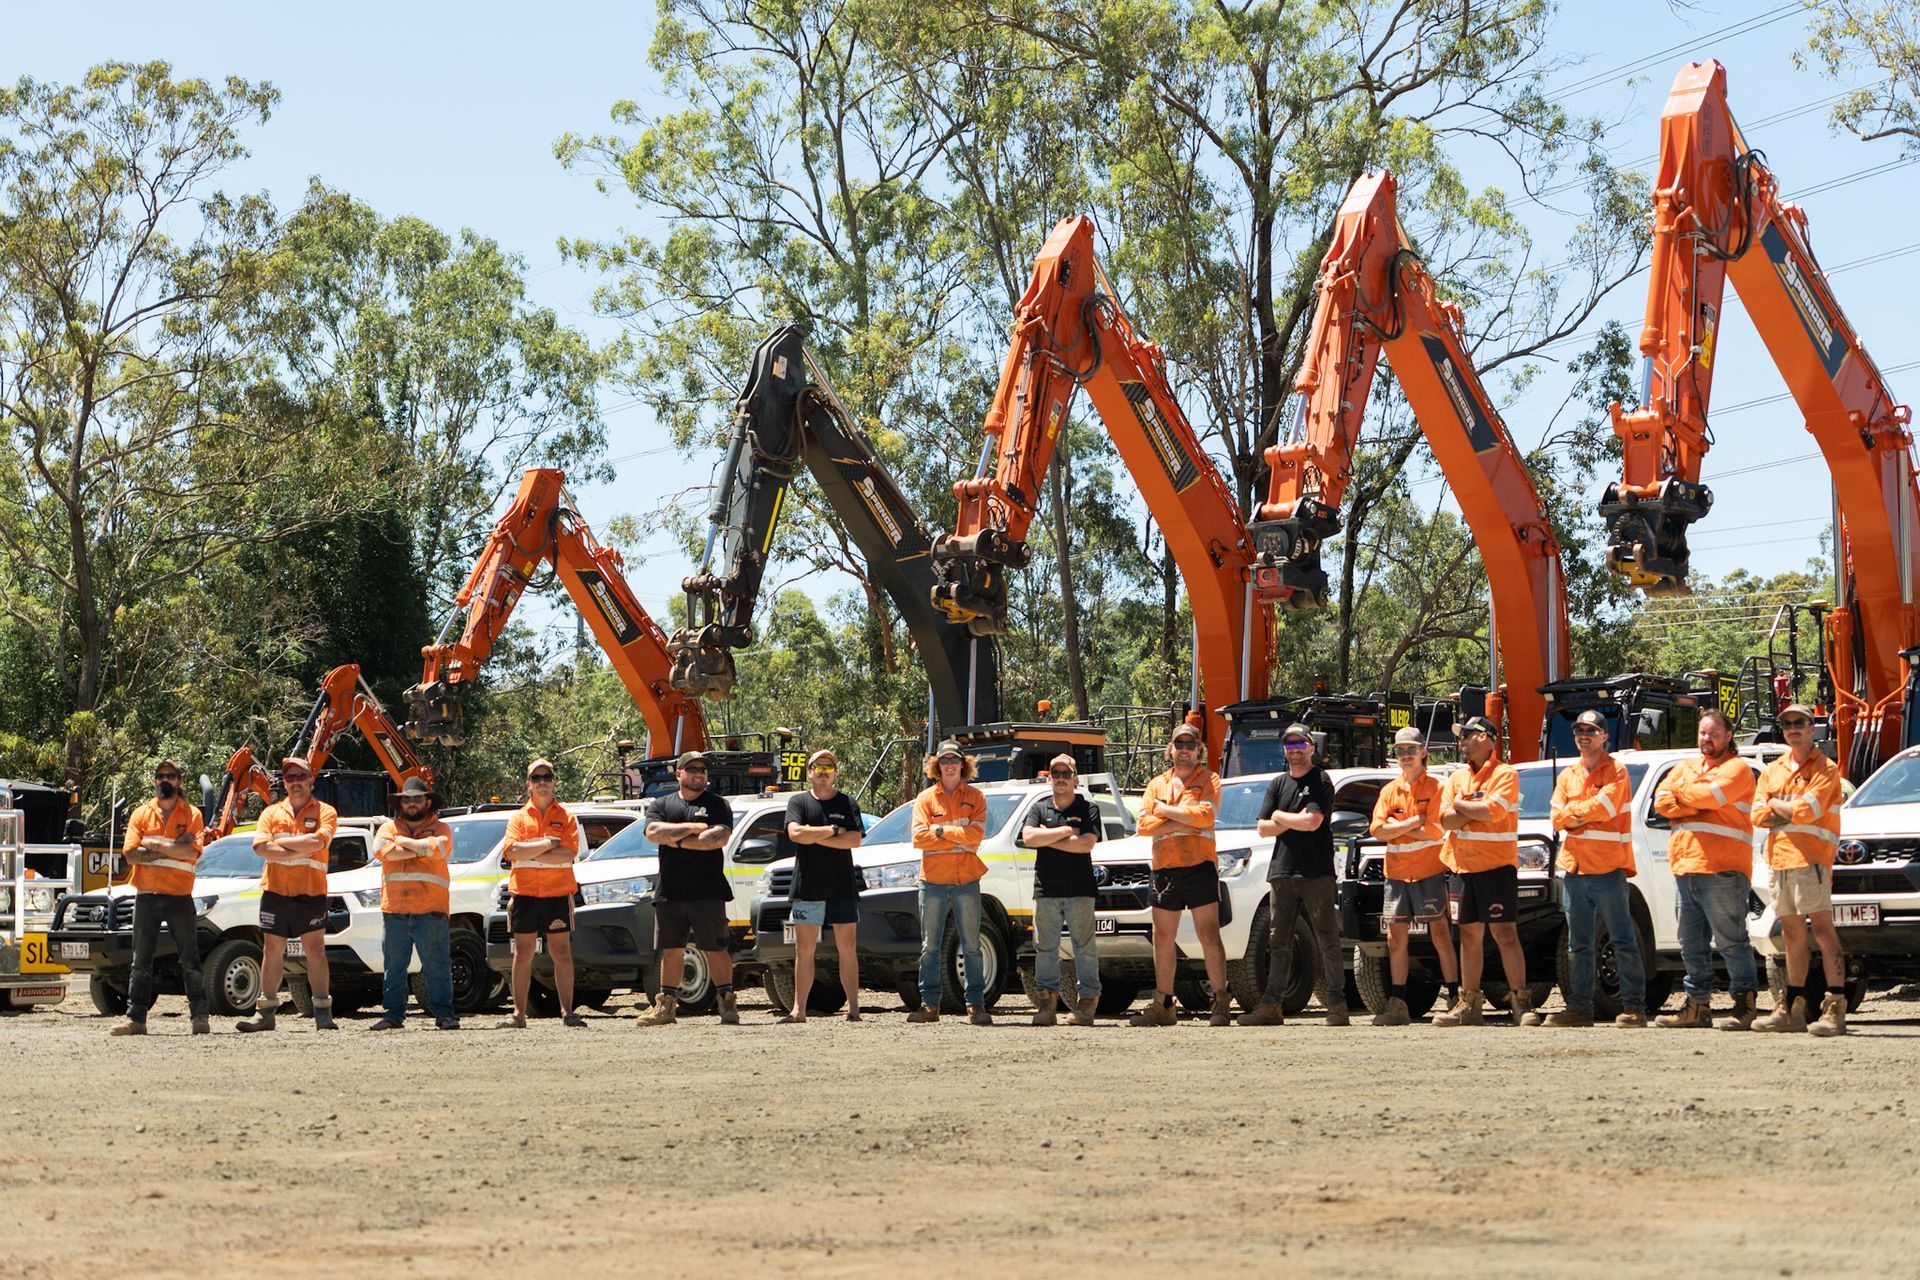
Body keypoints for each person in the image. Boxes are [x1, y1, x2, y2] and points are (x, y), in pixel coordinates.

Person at [1653, 709, 1760, 1030]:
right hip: (1686, 867)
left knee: (1731, 941)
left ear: (1728, 736)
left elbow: (1711, 797)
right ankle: (1697, 1006)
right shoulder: (1686, 766)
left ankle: (1744, 1004)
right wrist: (1692, 797)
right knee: (1690, 942)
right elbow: (1660, 800)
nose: (1706, 739)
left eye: (1713, 733)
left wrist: (1683, 797)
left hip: (1723, 869)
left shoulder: (1738, 769)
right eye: (1702, 733)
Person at [1239, 724, 1348, 1027]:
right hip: (1282, 871)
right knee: (1278, 941)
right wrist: (1290, 819)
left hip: (1316, 872)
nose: (1295, 749)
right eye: (1289, 745)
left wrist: (1279, 817)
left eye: (1300, 743)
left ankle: (1337, 1005)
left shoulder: (1321, 780)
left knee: (1327, 937)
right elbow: (1262, 828)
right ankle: (1272, 1005)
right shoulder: (1277, 784)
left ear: (1312, 748)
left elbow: (1313, 822)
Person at [1750, 705, 1849, 1036]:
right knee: (1791, 935)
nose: (1793, 728)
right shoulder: (1773, 769)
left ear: (1811, 728)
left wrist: (1780, 807)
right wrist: (1787, 809)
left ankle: (1835, 1007)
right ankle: (1792, 1009)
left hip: (1812, 860)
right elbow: (1757, 814)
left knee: (1822, 931)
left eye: (1800, 723)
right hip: (1779, 860)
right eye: (1787, 724)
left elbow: (1810, 810)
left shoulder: (1826, 768)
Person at [1548, 709, 1647, 1028]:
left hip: (1607, 870)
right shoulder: (1567, 775)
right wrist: (1578, 815)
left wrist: (1573, 814)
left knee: (1622, 939)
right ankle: (1579, 1009)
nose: (1583, 735)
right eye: (1579, 730)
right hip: (1575, 870)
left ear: (1604, 736)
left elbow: (1605, 808)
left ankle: (1634, 1008)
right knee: (1578, 945)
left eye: (1591, 730)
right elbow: (1556, 817)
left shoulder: (1616, 772)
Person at [1433, 716, 1532, 1027]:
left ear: (1489, 738)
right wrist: (1468, 806)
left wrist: (1462, 806)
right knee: (1468, 934)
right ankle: (1470, 1004)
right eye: (1461, 736)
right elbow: (1444, 820)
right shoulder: (1456, 779)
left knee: (1505, 933)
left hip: (1495, 867)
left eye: (1469, 735)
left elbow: (1492, 812)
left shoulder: (1505, 774)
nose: (1462, 741)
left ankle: (1521, 1001)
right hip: (1461, 868)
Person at [1130, 721, 1230, 1027]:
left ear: (1199, 749)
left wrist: (1164, 811)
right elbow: (1143, 826)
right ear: (1170, 749)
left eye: (1190, 745)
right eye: (1179, 745)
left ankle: (1221, 1001)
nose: (1184, 751)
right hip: (1164, 869)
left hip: (1199, 866)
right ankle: (1163, 1004)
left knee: (1208, 933)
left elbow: (1206, 816)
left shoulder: (1209, 779)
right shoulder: (1156, 784)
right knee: (1162, 937)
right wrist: (1183, 821)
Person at [1365, 727, 1459, 1026]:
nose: (1405, 756)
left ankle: (1456, 997)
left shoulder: (1437, 788)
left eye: (1410, 750)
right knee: (1395, 939)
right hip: (1396, 874)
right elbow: (1377, 830)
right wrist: (1413, 822)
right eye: (1400, 751)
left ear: (1423, 752)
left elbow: (1435, 830)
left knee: (1440, 935)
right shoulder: (1389, 790)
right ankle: (1398, 1002)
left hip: (1429, 870)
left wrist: (1399, 825)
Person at [110, 759, 211, 1036]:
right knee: (140, 962)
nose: (165, 779)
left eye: (171, 775)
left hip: (180, 897)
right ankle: (136, 1020)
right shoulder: (141, 814)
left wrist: (151, 843)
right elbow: (131, 854)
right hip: (147, 897)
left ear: (179, 781)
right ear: (155, 781)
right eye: (160, 775)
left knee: (190, 960)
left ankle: (200, 1017)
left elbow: (191, 852)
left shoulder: (192, 815)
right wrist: (172, 847)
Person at [239, 756, 337, 1032]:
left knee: (315, 951)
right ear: (284, 782)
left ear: (311, 780)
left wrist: (279, 842)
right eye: (290, 778)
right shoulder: (270, 813)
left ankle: (322, 1012)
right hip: (276, 892)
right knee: (272, 950)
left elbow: (319, 842)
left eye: (300, 777)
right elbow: (259, 847)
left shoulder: (325, 811)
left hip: (311, 893)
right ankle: (266, 1012)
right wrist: (302, 845)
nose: (295, 782)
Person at [641, 750, 738, 1026]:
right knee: (670, 949)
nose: (699, 774)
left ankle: (727, 1004)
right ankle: (666, 1007)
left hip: (708, 891)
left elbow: (715, 839)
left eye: (703, 770)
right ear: (678, 773)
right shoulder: (661, 804)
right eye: (692, 768)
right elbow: (653, 833)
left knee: (715, 948)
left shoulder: (718, 804)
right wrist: (693, 827)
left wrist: (677, 838)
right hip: (670, 890)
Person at [906, 739, 992, 1025]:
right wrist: (959, 831)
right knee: (930, 946)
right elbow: (919, 838)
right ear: (936, 765)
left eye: (954, 759)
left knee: (971, 946)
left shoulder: (976, 797)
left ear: (963, 764)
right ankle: (930, 1006)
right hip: (932, 882)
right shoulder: (925, 798)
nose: (950, 764)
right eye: (944, 760)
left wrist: (940, 829)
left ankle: (976, 1005)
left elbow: (976, 837)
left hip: (967, 879)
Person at [778, 749, 864, 1023]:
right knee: (803, 950)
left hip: (841, 887)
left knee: (847, 948)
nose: (824, 771)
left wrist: (813, 836)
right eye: (819, 766)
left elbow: (854, 840)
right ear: (810, 772)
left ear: (835, 772)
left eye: (829, 767)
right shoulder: (799, 802)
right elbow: (795, 833)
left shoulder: (847, 802)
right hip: (808, 888)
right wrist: (831, 831)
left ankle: (853, 1009)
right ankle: (798, 1010)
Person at [500, 759, 586, 1029]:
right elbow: (511, 852)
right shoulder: (518, 817)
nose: (542, 782)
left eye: (546, 777)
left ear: (554, 781)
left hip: (557, 895)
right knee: (522, 953)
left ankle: (568, 1012)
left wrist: (530, 848)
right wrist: (549, 843)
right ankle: (518, 1014)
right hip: (525, 894)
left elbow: (569, 854)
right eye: (536, 778)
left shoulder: (567, 817)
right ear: (528, 784)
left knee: (561, 952)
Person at [368, 777, 458, 1032]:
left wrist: (403, 844)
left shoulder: (442, 828)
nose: (411, 803)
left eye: (417, 798)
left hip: (431, 910)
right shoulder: (388, 829)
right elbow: (381, 849)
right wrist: (421, 848)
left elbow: (437, 847)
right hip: (394, 910)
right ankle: (393, 1016)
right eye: (406, 799)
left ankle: (444, 1015)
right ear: (400, 803)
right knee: (393, 968)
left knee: (437, 967)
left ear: (427, 801)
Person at [1022, 753, 1102, 1027]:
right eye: (1055, 774)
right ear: (1049, 778)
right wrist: (1066, 830)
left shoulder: (1088, 807)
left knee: (1085, 948)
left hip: (1080, 889)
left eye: (1066, 774)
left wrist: (1048, 836)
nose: (1060, 779)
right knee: (1045, 948)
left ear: (1075, 779)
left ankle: (1087, 1006)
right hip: (1046, 889)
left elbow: (1085, 845)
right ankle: (1046, 1005)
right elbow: (1029, 837)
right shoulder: (1039, 807)